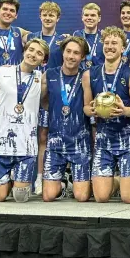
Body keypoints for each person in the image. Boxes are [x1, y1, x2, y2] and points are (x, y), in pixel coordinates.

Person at [0, 38, 49, 202]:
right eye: (31, 50)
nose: (33, 54)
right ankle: (8, 180)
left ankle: (17, 182)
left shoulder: (41, 79)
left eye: (39, 53)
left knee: (20, 198)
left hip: (26, 148)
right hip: (0, 144)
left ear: (43, 61)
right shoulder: (0, 72)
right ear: (24, 50)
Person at [83, 26, 130, 203]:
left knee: (129, 199)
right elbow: (86, 107)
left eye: (114, 43)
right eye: (107, 43)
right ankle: (115, 183)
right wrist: (92, 110)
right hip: (103, 139)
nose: (109, 46)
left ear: (123, 48)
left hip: (127, 140)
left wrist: (124, 111)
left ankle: (125, 182)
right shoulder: (89, 74)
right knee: (101, 198)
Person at [41, 36, 92, 202]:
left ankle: (76, 181)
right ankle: (62, 185)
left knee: (82, 197)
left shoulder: (88, 76)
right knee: (48, 196)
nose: (71, 56)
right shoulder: (49, 75)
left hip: (80, 142)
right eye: (68, 51)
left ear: (83, 57)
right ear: (63, 52)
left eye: (76, 53)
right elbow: (43, 102)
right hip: (56, 142)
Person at [26, 1, 65, 195]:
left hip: (51, 93)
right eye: (45, 15)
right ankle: (24, 176)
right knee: (28, 134)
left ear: (58, 18)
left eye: (52, 15)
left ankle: (42, 178)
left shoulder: (63, 40)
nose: (48, 18)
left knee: (44, 137)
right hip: (28, 90)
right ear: (40, 16)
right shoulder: (31, 37)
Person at [0, 0, 30, 100]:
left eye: (12, 10)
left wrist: (62, 38)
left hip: (13, 88)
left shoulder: (19, 32)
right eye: (5, 9)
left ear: (16, 15)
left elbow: (42, 37)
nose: (8, 12)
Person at [73, 3, 104, 69]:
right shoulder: (76, 35)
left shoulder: (104, 37)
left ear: (99, 18)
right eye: (86, 15)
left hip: (99, 76)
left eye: (93, 15)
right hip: (80, 76)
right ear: (82, 17)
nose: (89, 18)